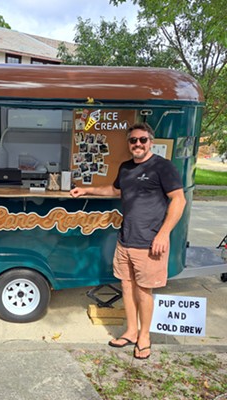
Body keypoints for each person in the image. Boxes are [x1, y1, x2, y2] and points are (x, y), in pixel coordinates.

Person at [70, 122, 186, 360]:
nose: (138, 144)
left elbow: (179, 200)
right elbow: (115, 191)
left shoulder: (163, 167)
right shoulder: (125, 168)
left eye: (142, 139)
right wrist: (86, 190)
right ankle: (131, 331)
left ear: (150, 141)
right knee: (126, 286)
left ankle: (145, 337)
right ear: (129, 143)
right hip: (126, 239)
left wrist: (163, 234)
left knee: (144, 291)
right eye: (133, 140)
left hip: (150, 242)